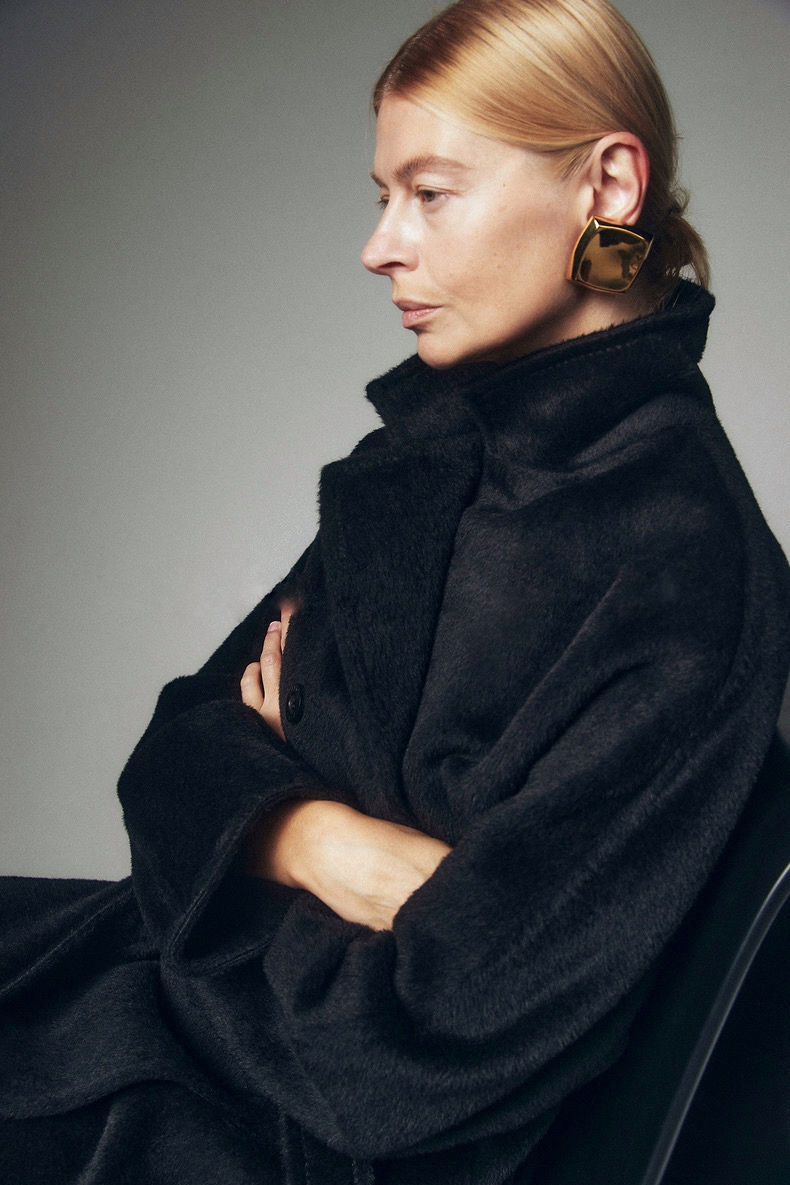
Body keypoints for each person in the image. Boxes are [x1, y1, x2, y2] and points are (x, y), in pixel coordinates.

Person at [1, 0, 788, 1182]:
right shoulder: (426, 461)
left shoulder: (681, 568)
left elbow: (407, 1047)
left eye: (430, 193)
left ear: (608, 185)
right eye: (385, 195)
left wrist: (244, 815)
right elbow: (174, 749)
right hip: (169, 1012)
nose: (379, 247)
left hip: (274, 1130)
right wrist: (319, 840)